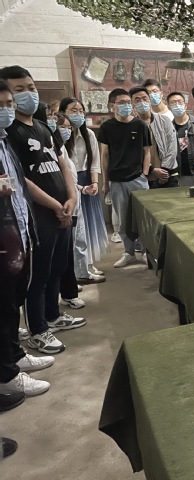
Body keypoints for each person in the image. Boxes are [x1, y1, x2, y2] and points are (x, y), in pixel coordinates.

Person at [1, 65, 85, 354]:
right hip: (39, 213)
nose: (28, 94)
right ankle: (38, 329)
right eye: (19, 90)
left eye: (31, 87)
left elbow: (62, 164)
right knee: (37, 274)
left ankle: (53, 314)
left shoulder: (41, 126)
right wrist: (54, 205)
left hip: (63, 208)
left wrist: (71, 197)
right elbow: (19, 178)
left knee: (58, 267)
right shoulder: (9, 132)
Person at [0, 79, 53, 395]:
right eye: (1, 105)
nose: (6, 110)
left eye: (9, 104)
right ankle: (7, 376)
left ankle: (15, 357)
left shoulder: (5, 141)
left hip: (17, 233)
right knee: (3, 307)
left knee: (11, 304)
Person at [98, 88, 151, 268]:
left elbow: (147, 151)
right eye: (122, 103)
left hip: (137, 179)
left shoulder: (140, 125)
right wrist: (105, 182)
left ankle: (145, 251)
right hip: (117, 180)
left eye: (128, 103)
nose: (126, 106)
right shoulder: (106, 127)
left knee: (142, 217)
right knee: (122, 220)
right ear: (112, 105)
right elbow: (105, 155)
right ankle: (129, 252)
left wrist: (144, 174)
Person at [59, 97, 109, 277]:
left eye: (81, 111)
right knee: (76, 228)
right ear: (63, 112)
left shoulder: (89, 134)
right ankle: (76, 267)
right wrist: (78, 186)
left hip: (87, 181)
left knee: (89, 225)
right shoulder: (60, 135)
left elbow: (94, 162)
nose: (78, 114)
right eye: (73, 111)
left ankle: (87, 263)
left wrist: (95, 183)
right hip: (70, 183)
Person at [129, 87, 178, 188]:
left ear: (150, 100)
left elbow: (172, 146)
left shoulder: (164, 120)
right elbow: (133, 153)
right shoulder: (131, 126)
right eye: (137, 100)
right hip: (144, 177)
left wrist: (164, 171)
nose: (142, 102)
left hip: (168, 175)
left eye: (144, 98)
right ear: (132, 104)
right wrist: (152, 170)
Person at [166, 91, 194, 187]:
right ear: (169, 107)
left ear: (185, 106)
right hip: (182, 173)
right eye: (173, 102)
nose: (177, 105)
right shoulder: (169, 127)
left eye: (180, 102)